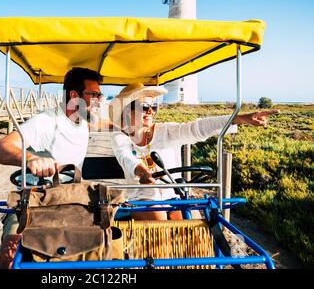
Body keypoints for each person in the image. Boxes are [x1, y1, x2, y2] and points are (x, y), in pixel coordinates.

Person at [109, 83, 280, 221]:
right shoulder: (120, 137)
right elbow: (126, 157)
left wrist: (240, 118)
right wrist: (141, 171)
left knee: (194, 224)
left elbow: (197, 128)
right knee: (158, 219)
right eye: (144, 106)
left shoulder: (167, 131)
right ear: (127, 110)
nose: (151, 111)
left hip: (174, 196)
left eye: (154, 106)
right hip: (142, 199)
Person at [0, 67, 104, 268]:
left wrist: (134, 125)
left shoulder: (84, 121)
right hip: (38, 200)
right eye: (94, 95)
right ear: (74, 96)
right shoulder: (46, 121)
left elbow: (109, 123)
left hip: (73, 197)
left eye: (100, 95)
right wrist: (32, 159)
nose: (99, 100)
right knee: (11, 252)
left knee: (101, 243)